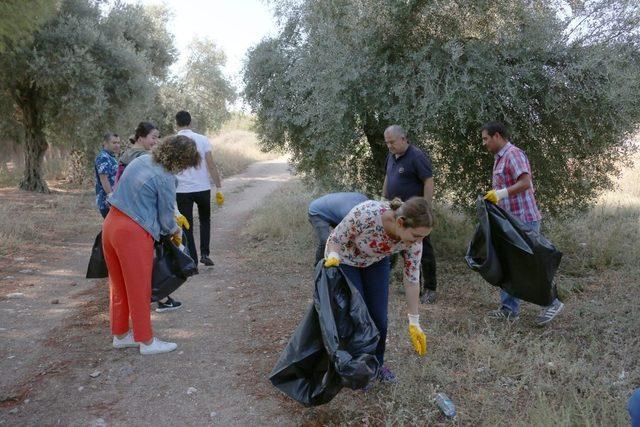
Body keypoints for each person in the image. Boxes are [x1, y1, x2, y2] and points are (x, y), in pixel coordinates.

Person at [102, 134, 200, 355]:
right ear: (181, 159)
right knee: (139, 287)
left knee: (118, 286)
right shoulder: (166, 176)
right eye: (186, 164)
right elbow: (166, 220)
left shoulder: (141, 160)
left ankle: (120, 335)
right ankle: (146, 341)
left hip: (110, 225)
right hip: (132, 233)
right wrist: (176, 231)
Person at [323, 197, 434, 387]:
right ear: (400, 223)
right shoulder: (367, 214)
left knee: (380, 319)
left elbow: (412, 279)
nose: (418, 242)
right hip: (345, 259)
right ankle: (354, 369)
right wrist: (333, 256)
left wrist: (414, 321)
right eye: (416, 236)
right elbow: (335, 239)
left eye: (423, 237)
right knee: (358, 317)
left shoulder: (415, 242)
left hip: (375, 260)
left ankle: (376, 367)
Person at [481, 121, 565, 326]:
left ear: (497, 136)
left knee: (531, 266)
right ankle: (509, 310)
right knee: (509, 264)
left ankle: (553, 303)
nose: (484, 143)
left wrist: (500, 193)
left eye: (486, 138)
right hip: (511, 221)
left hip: (525, 220)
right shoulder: (499, 158)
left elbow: (525, 182)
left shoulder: (513, 154)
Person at [115, 122, 185, 312]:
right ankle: (159, 297)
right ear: (140, 137)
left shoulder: (128, 155)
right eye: (153, 136)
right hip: (139, 218)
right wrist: (172, 227)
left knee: (127, 272)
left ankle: (158, 298)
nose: (156, 141)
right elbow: (161, 199)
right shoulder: (144, 158)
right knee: (150, 262)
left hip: (121, 212)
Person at [382, 125, 438, 304]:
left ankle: (430, 288)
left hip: (415, 213)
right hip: (395, 210)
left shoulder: (416, 156)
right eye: (387, 143)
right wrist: (383, 199)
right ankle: (413, 283)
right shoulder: (391, 156)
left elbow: (428, 181)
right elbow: (387, 177)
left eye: (392, 142)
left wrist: (425, 208)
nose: (389, 146)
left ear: (403, 139)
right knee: (399, 245)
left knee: (424, 249)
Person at [174, 111, 224, 266]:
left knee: (186, 224)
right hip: (202, 188)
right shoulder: (202, 139)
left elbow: (169, 167)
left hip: (181, 190)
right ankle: (205, 253)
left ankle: (192, 260)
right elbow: (211, 164)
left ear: (176, 123)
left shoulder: (172, 141)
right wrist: (218, 187)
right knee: (205, 220)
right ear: (191, 122)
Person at [308, 192, 368, 264]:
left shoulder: (367, 204)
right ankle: (319, 266)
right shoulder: (349, 213)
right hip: (317, 212)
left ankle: (341, 261)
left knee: (345, 240)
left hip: (333, 211)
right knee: (326, 241)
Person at [94, 133, 121, 218]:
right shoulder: (103, 157)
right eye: (114, 143)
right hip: (106, 202)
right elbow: (104, 178)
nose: (117, 145)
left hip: (112, 200)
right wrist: (110, 197)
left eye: (118, 143)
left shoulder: (110, 157)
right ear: (105, 143)